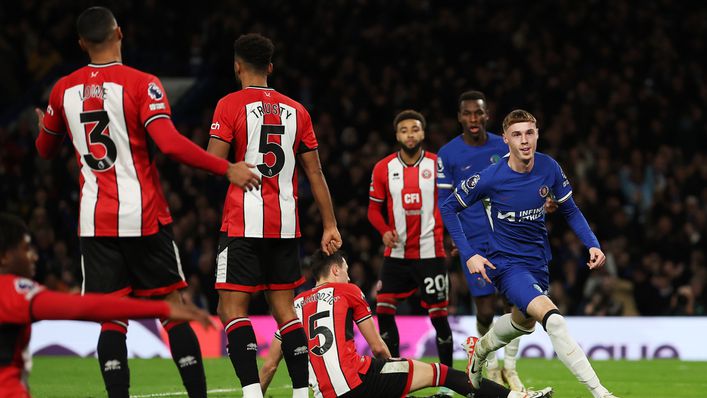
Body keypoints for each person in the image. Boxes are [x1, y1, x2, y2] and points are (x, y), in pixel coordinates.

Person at [33, 7, 251, 398]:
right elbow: (167, 144)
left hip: (95, 222)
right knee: (172, 307)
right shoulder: (142, 83)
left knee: (112, 320)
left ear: (81, 44)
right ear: (119, 32)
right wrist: (226, 168)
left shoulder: (62, 89)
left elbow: (45, 150)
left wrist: (42, 126)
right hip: (143, 216)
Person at [440, 109, 618, 398]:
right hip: (506, 264)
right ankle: (601, 393)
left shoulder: (548, 167)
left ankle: (480, 349)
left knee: (524, 325)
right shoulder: (490, 177)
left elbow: (569, 209)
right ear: (506, 140)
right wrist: (470, 253)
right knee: (554, 321)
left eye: (529, 133)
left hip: (538, 261)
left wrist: (592, 243)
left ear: (537, 135)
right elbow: (449, 206)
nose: (524, 140)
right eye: (517, 134)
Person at [205, 33, 342, 398]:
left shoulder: (229, 105)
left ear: (237, 67)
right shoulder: (298, 110)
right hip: (284, 225)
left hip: (241, 222)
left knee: (231, 308)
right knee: (285, 311)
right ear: (270, 67)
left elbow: (213, 161)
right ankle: (300, 392)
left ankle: (252, 392)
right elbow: (315, 173)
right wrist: (329, 223)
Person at [257, 250, 553, 398]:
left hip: (326, 392)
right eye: (346, 270)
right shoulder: (348, 290)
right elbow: (377, 347)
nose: (348, 275)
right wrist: (391, 365)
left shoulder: (293, 305)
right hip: (360, 381)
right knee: (441, 373)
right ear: (335, 270)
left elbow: (270, 365)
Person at [0, 213, 215, 398]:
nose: (33, 256)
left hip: (96, 227)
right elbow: (84, 307)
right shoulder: (14, 292)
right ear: (5, 257)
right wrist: (164, 308)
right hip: (144, 220)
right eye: (26, 248)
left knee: (111, 326)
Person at [437, 90, 536, 390]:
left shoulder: (503, 143)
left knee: (520, 301)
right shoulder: (448, 154)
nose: (473, 118)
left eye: (478, 112)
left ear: (486, 115)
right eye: (467, 113)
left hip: (510, 235)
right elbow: (444, 200)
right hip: (474, 241)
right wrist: (448, 236)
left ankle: (510, 367)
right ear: (459, 118)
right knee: (485, 309)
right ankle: (489, 361)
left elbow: (525, 179)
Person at [367, 110, 453, 396]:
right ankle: (395, 376)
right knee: (383, 309)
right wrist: (383, 231)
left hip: (431, 253)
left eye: (414, 129)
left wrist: (454, 237)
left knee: (439, 318)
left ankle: (448, 385)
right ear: (397, 135)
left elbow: (451, 205)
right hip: (397, 254)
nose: (410, 135)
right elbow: (373, 210)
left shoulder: (438, 165)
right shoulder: (383, 168)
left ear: (423, 133)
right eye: (404, 130)